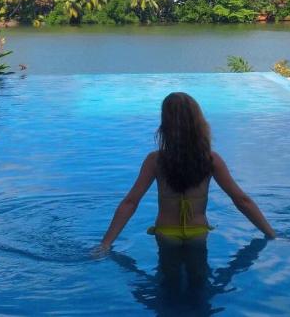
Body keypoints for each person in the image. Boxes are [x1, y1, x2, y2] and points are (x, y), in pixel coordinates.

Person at [97, 92, 275, 252]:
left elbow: (130, 202)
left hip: (167, 232)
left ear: (165, 125)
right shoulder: (211, 159)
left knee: (168, 277)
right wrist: (271, 234)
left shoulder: (155, 160)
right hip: (198, 231)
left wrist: (105, 244)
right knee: (200, 277)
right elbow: (242, 200)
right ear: (199, 123)